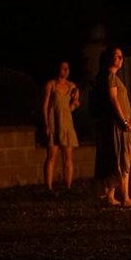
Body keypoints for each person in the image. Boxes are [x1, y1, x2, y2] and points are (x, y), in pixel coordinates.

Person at [93, 46, 131, 207]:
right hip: (118, 125)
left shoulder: (112, 77)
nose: (121, 59)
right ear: (109, 59)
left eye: (122, 56)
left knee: (117, 158)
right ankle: (125, 197)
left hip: (119, 123)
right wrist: (124, 122)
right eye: (117, 56)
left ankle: (111, 196)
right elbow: (114, 100)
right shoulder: (110, 78)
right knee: (122, 159)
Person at [41, 60, 80, 192]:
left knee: (68, 158)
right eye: (63, 68)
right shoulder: (51, 85)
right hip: (54, 123)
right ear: (58, 69)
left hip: (67, 125)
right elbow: (45, 105)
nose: (66, 70)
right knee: (51, 156)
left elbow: (71, 106)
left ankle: (68, 187)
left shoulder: (72, 86)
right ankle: (49, 187)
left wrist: (74, 103)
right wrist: (46, 124)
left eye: (67, 68)